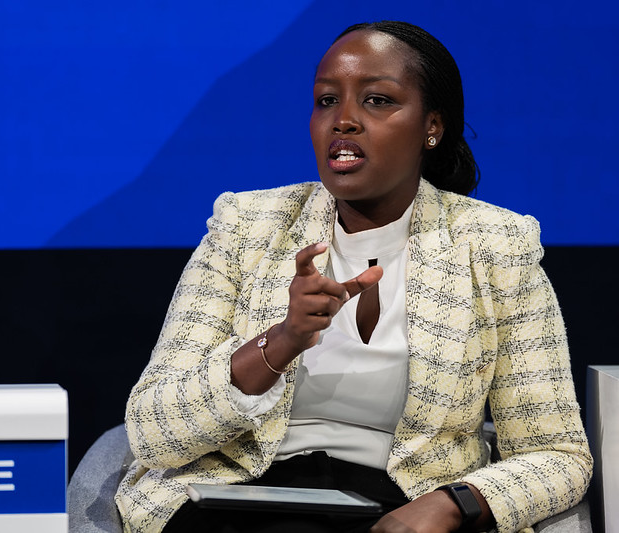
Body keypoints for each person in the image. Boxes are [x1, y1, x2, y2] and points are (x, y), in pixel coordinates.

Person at [115, 21, 592, 533]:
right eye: (326, 101)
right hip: (237, 496)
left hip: (402, 505)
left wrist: (453, 504)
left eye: (377, 100)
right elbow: (152, 432)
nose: (343, 120)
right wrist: (282, 341)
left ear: (432, 126)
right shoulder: (246, 228)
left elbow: (558, 454)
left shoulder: (496, 247)